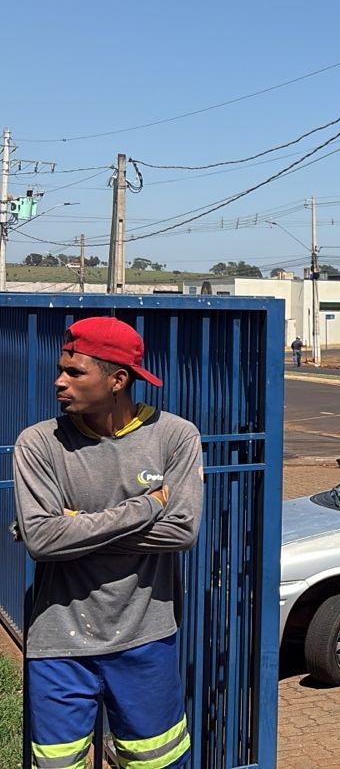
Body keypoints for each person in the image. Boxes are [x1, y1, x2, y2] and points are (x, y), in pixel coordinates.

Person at [13, 316, 202, 769]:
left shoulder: (175, 436)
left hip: (147, 639)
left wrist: (75, 526)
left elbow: (182, 531)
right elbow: (42, 540)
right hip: (59, 644)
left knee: (156, 762)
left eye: (75, 372)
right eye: (61, 368)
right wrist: (144, 507)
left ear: (117, 380)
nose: (59, 380)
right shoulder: (39, 443)